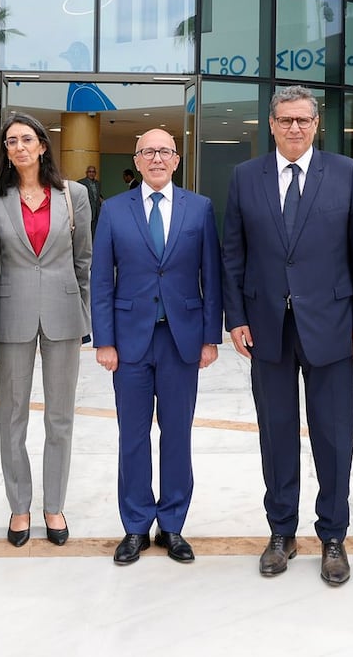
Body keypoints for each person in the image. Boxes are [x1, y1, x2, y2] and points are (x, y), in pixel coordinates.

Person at [222, 84, 353, 584]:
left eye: (303, 121)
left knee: (334, 434)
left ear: (316, 125)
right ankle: (281, 531)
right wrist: (236, 316)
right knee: (276, 432)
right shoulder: (246, 177)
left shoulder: (346, 173)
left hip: (332, 326)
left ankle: (333, 535)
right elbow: (233, 254)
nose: (294, 128)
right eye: (285, 120)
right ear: (271, 124)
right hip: (267, 327)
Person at [92, 129, 222, 565]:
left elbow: (212, 276)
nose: (157, 158)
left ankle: (172, 525)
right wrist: (104, 341)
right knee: (132, 436)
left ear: (177, 159)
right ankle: (134, 527)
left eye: (165, 151)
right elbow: (100, 281)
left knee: (177, 435)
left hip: (181, 341)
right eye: (148, 151)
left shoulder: (200, 209)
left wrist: (210, 337)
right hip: (128, 342)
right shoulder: (113, 210)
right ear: (137, 158)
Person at [0, 113, 92, 547]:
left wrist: (84, 313)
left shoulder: (74, 194)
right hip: (11, 314)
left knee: (60, 417)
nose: (19, 147)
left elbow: (84, 259)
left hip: (64, 314)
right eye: (11, 142)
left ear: (43, 146)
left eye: (27, 139)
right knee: (12, 417)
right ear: (5, 151)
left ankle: (54, 507)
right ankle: (20, 507)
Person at [77, 164, 103, 234]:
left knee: (95, 232)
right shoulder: (81, 183)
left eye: (93, 172)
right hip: (86, 211)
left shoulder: (98, 183)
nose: (91, 173)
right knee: (86, 232)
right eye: (90, 172)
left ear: (95, 173)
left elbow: (97, 196)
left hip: (96, 211)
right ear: (86, 173)